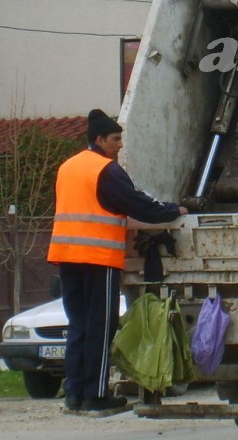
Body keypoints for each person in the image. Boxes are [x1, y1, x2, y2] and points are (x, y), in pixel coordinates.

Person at [47, 109, 188, 412]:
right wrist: (172, 211)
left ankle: (74, 394)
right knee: (101, 325)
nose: (120, 145)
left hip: (67, 257)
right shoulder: (106, 170)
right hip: (99, 258)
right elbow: (136, 203)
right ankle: (96, 396)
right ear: (99, 140)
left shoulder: (68, 167)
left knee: (79, 325)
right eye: (115, 139)